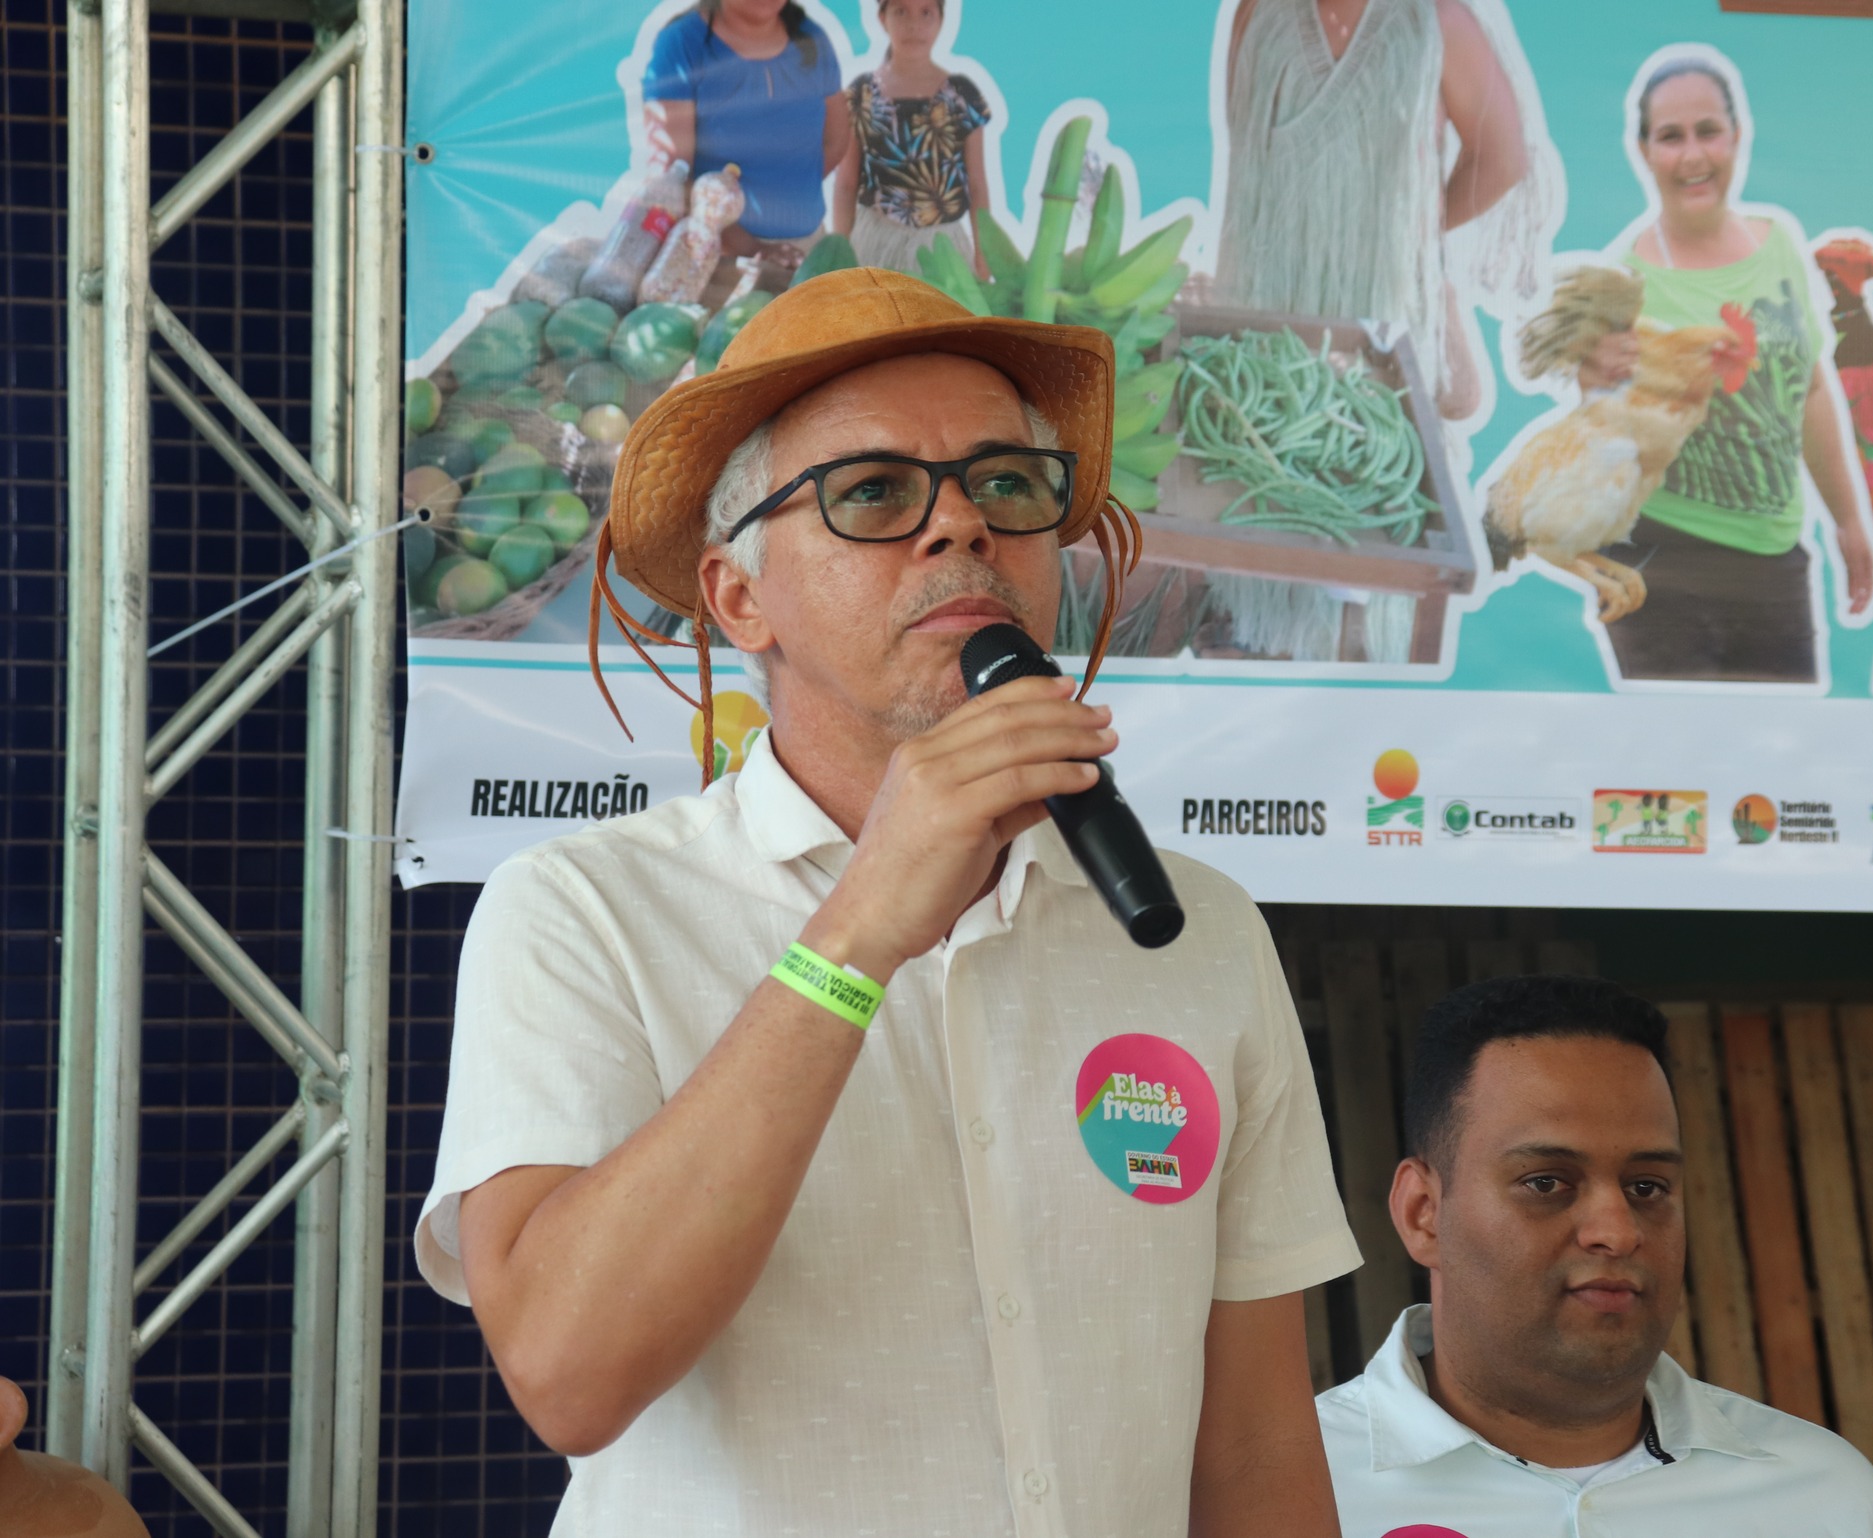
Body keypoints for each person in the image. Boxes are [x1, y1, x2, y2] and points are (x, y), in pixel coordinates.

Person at [416, 267, 1363, 1535]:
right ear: (738, 597)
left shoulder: (1201, 927)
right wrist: (856, 932)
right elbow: (566, 1371)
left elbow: (1253, 1444)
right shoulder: (582, 909)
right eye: (871, 491)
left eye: (1006, 484)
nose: (960, 524)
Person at [1318, 975, 1873, 1536]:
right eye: (1546, 1182)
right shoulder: (1300, 1490)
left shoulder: (1824, 1499)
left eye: (1646, 1187)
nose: (1618, 1232)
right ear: (1423, 1213)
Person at [1207, 0, 1560, 663]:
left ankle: (1360, 679)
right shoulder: (1258, 14)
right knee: (1262, 527)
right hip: (1273, 322)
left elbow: (1503, 157)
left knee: (1370, 563)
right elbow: (1250, 152)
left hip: (1380, 333)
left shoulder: (1438, 22)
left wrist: (1408, 236)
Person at [1579, 54, 1873, 684]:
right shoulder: (1621, 283)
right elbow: (1597, 435)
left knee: (1779, 743)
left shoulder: (1781, 243)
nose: (1693, 155)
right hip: (1657, 564)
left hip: (1775, 562)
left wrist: (1849, 521)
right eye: (1671, 136)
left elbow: (1809, 389)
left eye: (1708, 131)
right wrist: (1590, 381)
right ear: (1644, 151)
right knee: (1676, 746)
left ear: (1737, 137)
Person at [642, 0, 851, 267]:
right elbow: (675, 178)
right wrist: (752, 248)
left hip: (809, 253)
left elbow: (836, 141)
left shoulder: (811, 38)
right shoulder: (682, 42)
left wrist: (790, 191)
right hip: (714, 259)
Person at [831, 0, 993, 277]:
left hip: (942, 249)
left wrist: (983, 257)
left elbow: (977, 186)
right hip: (875, 246)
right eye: (901, 11)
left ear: (941, 19)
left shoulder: (962, 96)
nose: (913, 25)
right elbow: (846, 184)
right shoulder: (861, 94)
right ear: (882, 18)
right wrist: (840, 256)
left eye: (926, 13)